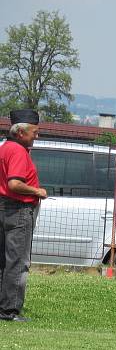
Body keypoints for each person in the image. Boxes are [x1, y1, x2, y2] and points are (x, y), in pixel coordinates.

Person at [0, 109, 46, 322]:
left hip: (4, 207)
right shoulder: (18, 151)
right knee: (17, 262)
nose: (37, 136)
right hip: (18, 211)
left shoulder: (5, 147)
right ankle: (10, 311)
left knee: (3, 261)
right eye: (34, 132)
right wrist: (37, 191)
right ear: (20, 132)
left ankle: (3, 307)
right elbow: (15, 183)